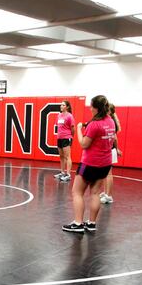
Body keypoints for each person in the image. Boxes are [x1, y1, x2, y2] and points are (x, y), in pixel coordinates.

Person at [63, 95, 116, 233]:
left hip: (91, 163)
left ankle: (78, 223)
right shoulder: (110, 121)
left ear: (97, 108)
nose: (90, 108)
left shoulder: (94, 124)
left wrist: (79, 129)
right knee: (95, 193)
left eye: (91, 106)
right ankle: (91, 223)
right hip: (105, 163)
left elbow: (83, 144)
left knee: (77, 192)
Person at [100, 103, 122, 204]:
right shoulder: (110, 121)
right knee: (105, 173)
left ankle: (109, 196)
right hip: (107, 149)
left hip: (110, 149)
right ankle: (105, 192)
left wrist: (116, 149)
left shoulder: (111, 122)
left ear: (109, 111)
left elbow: (115, 138)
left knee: (109, 174)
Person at [53, 100, 75, 182]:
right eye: (61, 105)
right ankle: (62, 172)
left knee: (67, 156)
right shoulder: (59, 116)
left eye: (63, 105)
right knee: (61, 156)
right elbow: (58, 126)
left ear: (67, 107)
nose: (61, 106)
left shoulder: (69, 116)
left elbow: (73, 128)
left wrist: (71, 137)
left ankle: (68, 174)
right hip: (59, 138)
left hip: (66, 138)